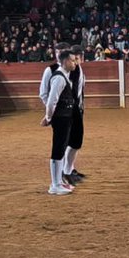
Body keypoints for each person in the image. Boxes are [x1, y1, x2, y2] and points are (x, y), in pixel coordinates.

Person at [41, 48, 78, 196]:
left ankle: (58, 182)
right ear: (66, 61)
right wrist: (48, 117)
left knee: (61, 150)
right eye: (73, 60)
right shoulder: (59, 78)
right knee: (58, 150)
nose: (75, 63)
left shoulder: (63, 76)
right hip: (61, 118)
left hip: (64, 117)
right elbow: (51, 101)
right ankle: (55, 184)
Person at [60, 50, 86, 185]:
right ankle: (65, 172)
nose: (76, 61)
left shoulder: (78, 70)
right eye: (74, 59)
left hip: (76, 108)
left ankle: (69, 170)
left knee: (74, 141)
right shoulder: (68, 72)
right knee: (69, 141)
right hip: (69, 110)